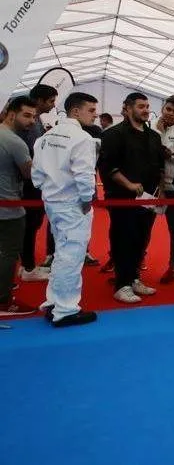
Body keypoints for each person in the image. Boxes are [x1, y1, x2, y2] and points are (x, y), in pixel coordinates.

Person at [31, 92, 99, 327]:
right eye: (91, 110)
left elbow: (36, 175)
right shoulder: (82, 139)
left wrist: (49, 190)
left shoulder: (45, 137)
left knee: (62, 254)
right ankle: (66, 310)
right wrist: (87, 200)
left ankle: (54, 302)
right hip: (72, 204)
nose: (95, 114)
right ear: (75, 111)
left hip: (52, 202)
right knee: (72, 256)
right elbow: (84, 175)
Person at [98, 92, 164, 304]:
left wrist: (160, 191)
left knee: (141, 239)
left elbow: (159, 167)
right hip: (121, 198)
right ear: (127, 108)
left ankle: (134, 278)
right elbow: (107, 166)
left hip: (148, 199)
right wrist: (129, 185)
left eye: (147, 106)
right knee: (123, 239)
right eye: (141, 106)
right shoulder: (113, 135)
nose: (145, 110)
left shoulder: (153, 136)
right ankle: (122, 284)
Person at [0, 96, 39, 316]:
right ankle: (3, 302)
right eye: (27, 115)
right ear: (11, 113)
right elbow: (30, 174)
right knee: (9, 253)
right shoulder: (15, 142)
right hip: (9, 206)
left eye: (33, 116)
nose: (32, 121)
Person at [18, 84, 57, 282]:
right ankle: (28, 267)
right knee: (29, 224)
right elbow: (30, 153)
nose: (53, 105)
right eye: (51, 101)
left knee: (31, 225)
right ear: (39, 100)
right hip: (29, 182)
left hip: (34, 181)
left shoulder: (38, 121)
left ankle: (27, 264)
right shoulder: (30, 126)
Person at [155, 96, 174, 284]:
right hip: (152, 186)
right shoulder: (149, 126)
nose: (171, 114)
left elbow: (168, 155)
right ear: (163, 108)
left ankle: (173, 267)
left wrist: (158, 138)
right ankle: (135, 266)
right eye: (169, 109)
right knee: (143, 229)